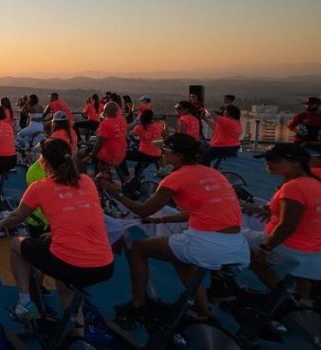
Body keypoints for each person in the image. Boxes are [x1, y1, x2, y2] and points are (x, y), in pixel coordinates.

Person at [99, 133, 249, 324]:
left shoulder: (175, 179)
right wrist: (164, 220)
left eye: (165, 150)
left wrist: (117, 193)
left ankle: (138, 305)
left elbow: (143, 211)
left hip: (206, 243)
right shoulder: (214, 174)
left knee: (138, 249)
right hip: (236, 243)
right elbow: (202, 211)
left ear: (178, 156)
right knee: (179, 257)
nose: (161, 153)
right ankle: (202, 308)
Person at [0, 139, 114, 320]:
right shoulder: (86, 181)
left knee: (17, 245)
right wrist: (56, 233)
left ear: (44, 162)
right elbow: (80, 216)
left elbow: (17, 217)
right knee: (64, 287)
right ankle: (76, 333)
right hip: (104, 265)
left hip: (71, 262)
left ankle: (24, 303)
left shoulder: (40, 187)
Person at [240, 143, 321, 295]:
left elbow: (288, 225)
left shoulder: (293, 187)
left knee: (233, 237)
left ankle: (279, 293)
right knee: (303, 277)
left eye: (275, 160)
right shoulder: (316, 184)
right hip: (313, 248)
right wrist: (271, 211)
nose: (268, 163)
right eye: (267, 159)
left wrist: (266, 248)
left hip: (289, 246)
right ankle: (300, 299)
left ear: (295, 163)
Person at [82, 101, 127, 178]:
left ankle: (90, 180)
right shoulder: (123, 120)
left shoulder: (105, 124)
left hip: (109, 156)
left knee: (83, 156)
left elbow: (99, 143)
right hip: (122, 154)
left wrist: (90, 156)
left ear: (105, 112)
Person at [124, 108, 165, 193]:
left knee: (122, 155)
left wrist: (136, 122)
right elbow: (163, 135)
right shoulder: (159, 125)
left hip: (144, 154)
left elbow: (129, 131)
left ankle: (127, 177)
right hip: (157, 154)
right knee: (139, 168)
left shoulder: (139, 128)